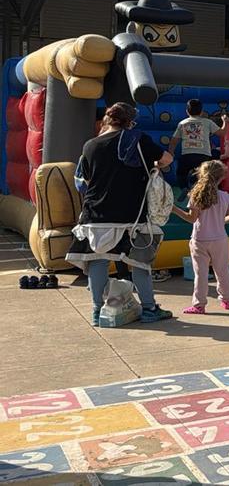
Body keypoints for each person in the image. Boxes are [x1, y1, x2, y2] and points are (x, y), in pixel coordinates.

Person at [67, 102, 174, 326]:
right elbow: (167, 160)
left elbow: (83, 180)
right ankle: (148, 308)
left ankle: (97, 311)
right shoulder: (137, 139)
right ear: (130, 121)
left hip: (96, 213)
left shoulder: (90, 145)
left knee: (98, 260)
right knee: (140, 262)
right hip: (131, 214)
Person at [172, 161, 229, 314]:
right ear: (222, 177)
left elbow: (192, 218)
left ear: (201, 174)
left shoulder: (196, 195)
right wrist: (221, 221)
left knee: (200, 274)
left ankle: (199, 304)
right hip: (220, 238)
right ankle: (226, 299)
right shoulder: (226, 197)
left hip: (199, 239)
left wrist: (175, 210)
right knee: (222, 271)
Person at [168, 99, 226, 189]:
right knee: (203, 174)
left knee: (181, 173)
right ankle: (200, 189)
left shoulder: (183, 123)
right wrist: (225, 122)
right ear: (202, 112)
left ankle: (184, 188)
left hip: (187, 155)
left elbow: (174, 140)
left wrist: (171, 151)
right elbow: (222, 133)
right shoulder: (207, 122)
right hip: (203, 155)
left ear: (187, 111)